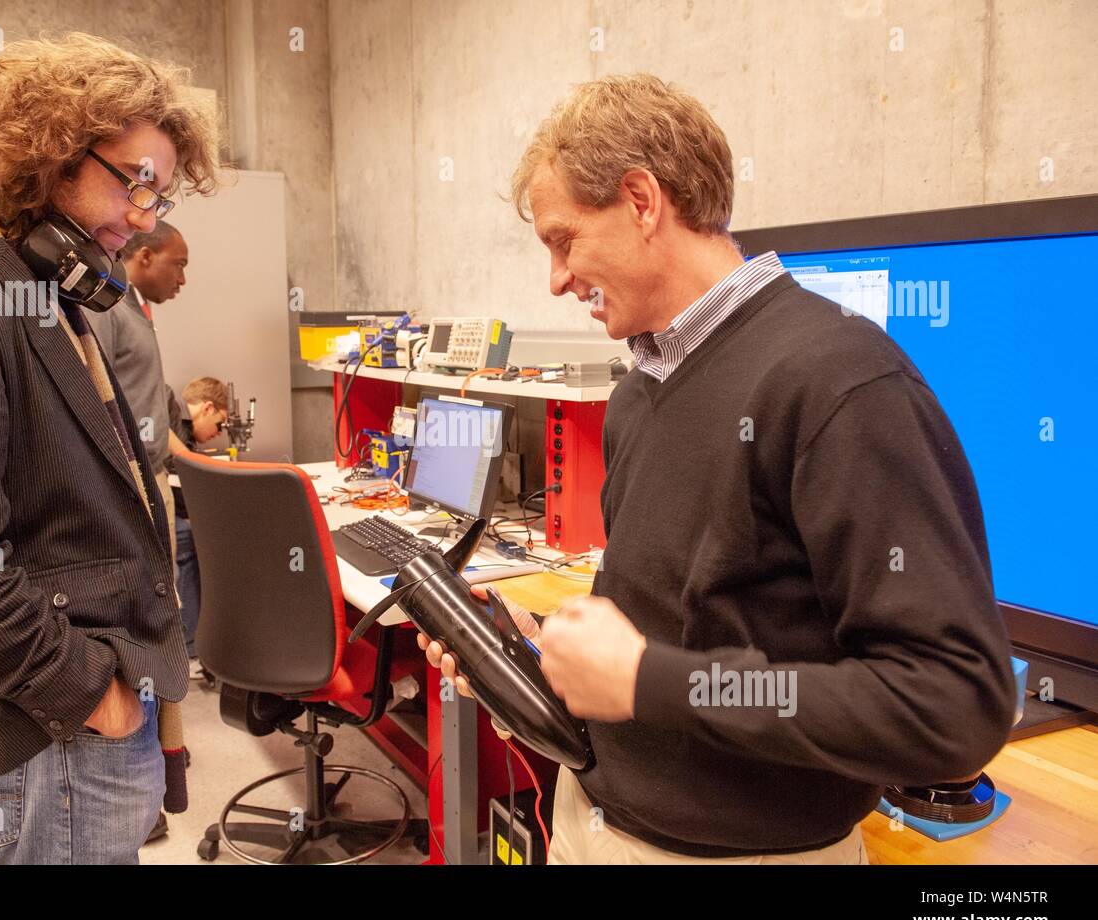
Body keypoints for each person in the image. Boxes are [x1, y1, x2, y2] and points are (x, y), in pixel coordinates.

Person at [419, 73, 1017, 864]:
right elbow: (679, 630)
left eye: (563, 240)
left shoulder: (840, 380)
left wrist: (649, 681)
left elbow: (955, 703)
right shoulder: (639, 393)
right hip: (589, 823)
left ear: (641, 200)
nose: (556, 278)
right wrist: (543, 659)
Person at [0, 33, 217, 864]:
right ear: (48, 154)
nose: (142, 217)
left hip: (87, 719)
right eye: (135, 183)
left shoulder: (42, 294)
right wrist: (94, 695)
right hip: (58, 730)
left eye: (158, 197)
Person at [88, 222, 188, 575]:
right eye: (179, 264)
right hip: (131, 483)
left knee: (167, 591)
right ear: (145, 255)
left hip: (152, 474)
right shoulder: (107, 309)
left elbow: (144, 398)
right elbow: (93, 397)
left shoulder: (136, 309)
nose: (182, 279)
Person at [165, 377, 230, 666]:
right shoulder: (168, 413)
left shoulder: (182, 430)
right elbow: (175, 472)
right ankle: (192, 649)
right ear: (207, 408)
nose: (218, 433)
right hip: (159, 513)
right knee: (189, 542)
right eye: (220, 423)